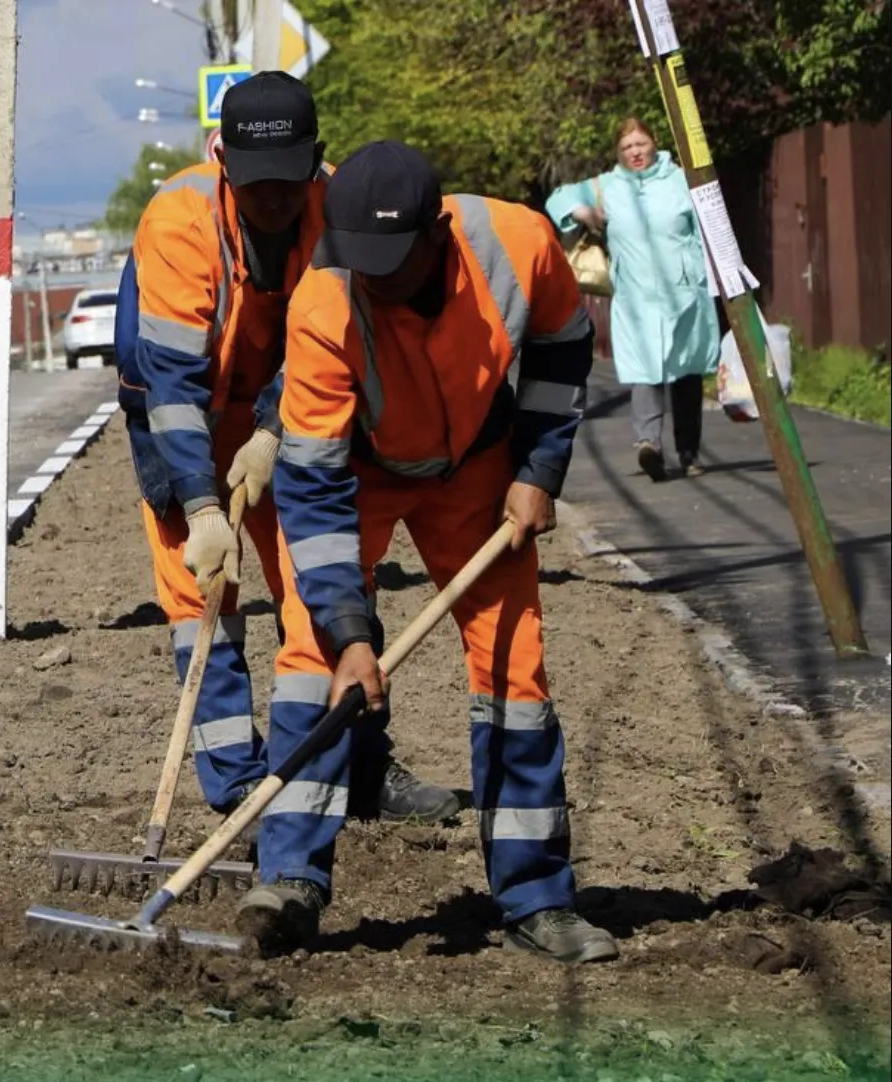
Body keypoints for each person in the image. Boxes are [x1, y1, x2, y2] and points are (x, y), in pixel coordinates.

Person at [241, 140, 618, 965]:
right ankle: (291, 879)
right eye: (358, 262)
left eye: (391, 262)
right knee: (313, 660)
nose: (371, 279)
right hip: (363, 471)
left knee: (515, 666)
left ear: (435, 231)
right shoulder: (323, 304)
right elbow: (313, 486)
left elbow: (560, 349)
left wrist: (538, 469)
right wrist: (351, 633)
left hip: (477, 471)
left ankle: (537, 900)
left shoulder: (518, 246)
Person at [115, 74, 459, 831]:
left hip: (297, 408)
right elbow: (169, 379)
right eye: (254, 184)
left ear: (316, 160)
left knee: (328, 581)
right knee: (201, 599)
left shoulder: (346, 212)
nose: (272, 199)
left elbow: (331, 339)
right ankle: (238, 786)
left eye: (287, 182)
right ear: (222, 160)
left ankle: (361, 766)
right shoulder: (178, 219)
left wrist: (274, 429)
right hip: (182, 413)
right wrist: (203, 504)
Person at [546, 117, 719, 481]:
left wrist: (714, 281)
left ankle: (688, 453)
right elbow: (557, 198)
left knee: (686, 373)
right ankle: (648, 445)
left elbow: (708, 229)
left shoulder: (679, 180)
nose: (635, 152)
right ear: (618, 153)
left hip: (684, 292)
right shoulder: (608, 185)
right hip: (636, 296)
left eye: (640, 144)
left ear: (654, 143)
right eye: (627, 148)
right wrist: (583, 212)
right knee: (646, 370)